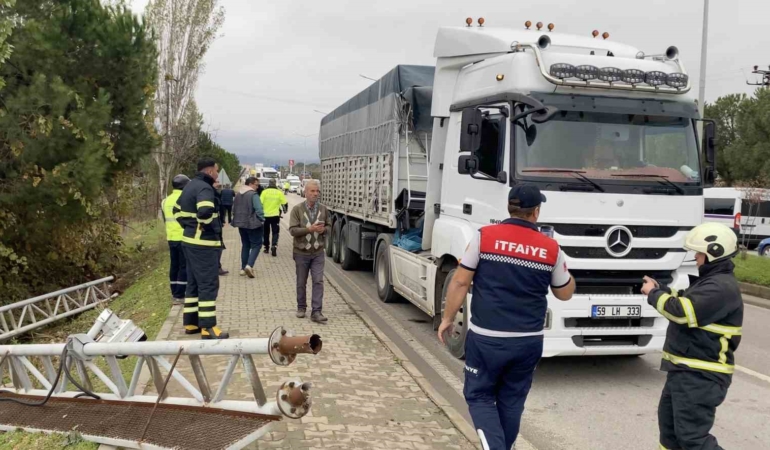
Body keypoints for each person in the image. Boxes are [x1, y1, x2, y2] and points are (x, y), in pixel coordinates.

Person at [437, 184, 575, 450]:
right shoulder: (551, 249)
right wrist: (571, 279)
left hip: (487, 339)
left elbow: (460, 282)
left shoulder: (484, 237)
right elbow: (564, 293)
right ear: (536, 212)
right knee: (512, 400)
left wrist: (447, 318)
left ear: (509, 208)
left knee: (478, 395)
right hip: (528, 341)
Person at [641, 222, 742, 450]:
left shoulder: (720, 287)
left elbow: (683, 312)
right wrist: (662, 289)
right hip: (684, 372)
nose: (696, 257)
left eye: (699, 252)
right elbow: (685, 299)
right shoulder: (710, 282)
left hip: (701, 376)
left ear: (713, 253)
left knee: (693, 439)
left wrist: (653, 294)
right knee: (670, 435)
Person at [173, 157, 230, 340]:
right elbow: (205, 211)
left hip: (189, 243)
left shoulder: (190, 185)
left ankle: (191, 323)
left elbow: (176, 210)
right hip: (203, 245)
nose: (216, 173)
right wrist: (206, 226)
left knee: (194, 283)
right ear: (210, 171)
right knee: (207, 284)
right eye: (216, 170)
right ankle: (208, 327)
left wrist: (189, 226)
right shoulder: (205, 188)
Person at [289, 179, 331, 323]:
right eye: (312, 191)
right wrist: (309, 229)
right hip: (301, 253)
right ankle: (301, 307)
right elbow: (293, 230)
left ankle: (316, 311)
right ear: (305, 192)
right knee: (301, 281)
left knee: (318, 281)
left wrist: (324, 229)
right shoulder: (297, 209)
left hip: (318, 252)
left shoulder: (323, 210)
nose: (315, 194)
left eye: (317, 191)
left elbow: (330, 228)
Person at [161, 174, 190, 305]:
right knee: (184, 266)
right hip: (183, 237)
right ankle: (180, 295)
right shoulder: (185, 199)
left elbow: (164, 219)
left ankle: (174, 292)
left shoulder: (165, 200)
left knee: (174, 265)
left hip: (171, 237)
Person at [232, 177, 265, 278]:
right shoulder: (253, 195)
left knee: (245, 245)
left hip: (240, 224)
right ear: (250, 184)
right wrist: (262, 219)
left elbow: (234, 208)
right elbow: (259, 209)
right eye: (256, 185)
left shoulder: (238, 195)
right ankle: (249, 265)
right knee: (257, 244)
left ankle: (242, 268)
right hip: (252, 224)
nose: (257, 187)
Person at [260, 178, 288, 257]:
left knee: (266, 232)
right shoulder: (279, 192)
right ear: (275, 183)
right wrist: (285, 211)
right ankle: (274, 245)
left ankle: (266, 247)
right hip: (275, 216)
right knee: (275, 232)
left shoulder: (264, 192)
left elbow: (260, 203)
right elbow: (284, 203)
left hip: (265, 216)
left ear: (269, 183)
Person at [213, 180, 229, 276]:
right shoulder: (211, 193)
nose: (218, 184)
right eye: (216, 182)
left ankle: (217, 267)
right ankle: (217, 268)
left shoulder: (216, 193)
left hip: (217, 224)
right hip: (213, 226)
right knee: (217, 247)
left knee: (219, 246)